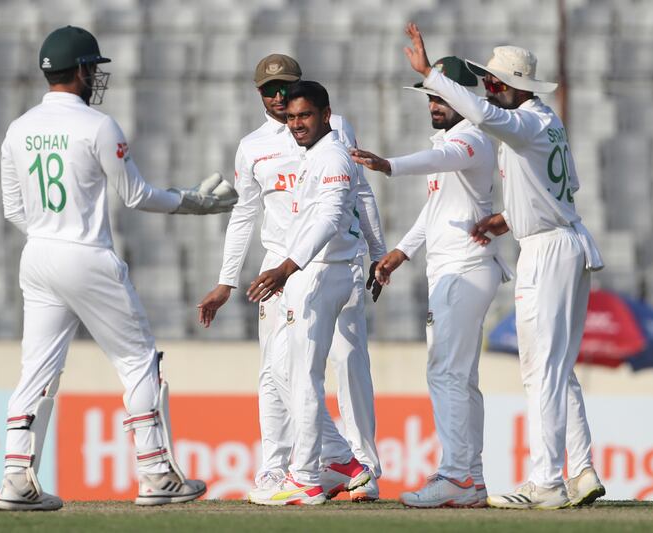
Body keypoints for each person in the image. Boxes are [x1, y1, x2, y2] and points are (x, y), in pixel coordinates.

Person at [0, 25, 234, 511]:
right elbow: (136, 195)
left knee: (36, 369)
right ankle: (155, 474)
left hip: (37, 255)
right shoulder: (97, 126)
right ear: (80, 70)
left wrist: (49, 233)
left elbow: (13, 211)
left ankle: (16, 478)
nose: (95, 77)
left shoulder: (17, 129)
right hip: (87, 255)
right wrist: (196, 203)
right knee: (138, 360)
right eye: (93, 68)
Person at [402, 22, 606, 509]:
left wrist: (432, 73)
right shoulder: (549, 121)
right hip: (564, 239)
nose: (488, 90)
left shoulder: (524, 122)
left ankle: (545, 483)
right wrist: (506, 216)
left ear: (514, 87)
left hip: (546, 250)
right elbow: (562, 186)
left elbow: (481, 116)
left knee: (539, 371)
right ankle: (579, 470)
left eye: (493, 84)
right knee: (557, 368)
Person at [197, 55, 385, 501]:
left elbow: (358, 194)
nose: (280, 98)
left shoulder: (333, 131)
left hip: (334, 260)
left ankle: (361, 467)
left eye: (288, 88)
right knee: (279, 370)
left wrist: (378, 252)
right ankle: (278, 468)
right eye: (270, 89)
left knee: (348, 361)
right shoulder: (253, 146)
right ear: (258, 93)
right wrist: (227, 279)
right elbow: (245, 213)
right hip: (281, 264)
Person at [351, 56, 512, 508]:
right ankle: (472, 478)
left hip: (464, 269)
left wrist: (389, 165)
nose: (433, 106)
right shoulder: (455, 139)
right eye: (430, 98)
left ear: (464, 99)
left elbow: (441, 157)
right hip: (452, 269)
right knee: (460, 375)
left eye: (441, 97)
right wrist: (401, 252)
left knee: (445, 371)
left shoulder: (473, 139)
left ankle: (457, 476)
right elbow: (435, 210)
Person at [243, 81, 372, 505]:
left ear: (326, 115)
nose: (296, 123)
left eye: (305, 116)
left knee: (303, 375)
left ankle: (304, 479)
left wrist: (286, 267)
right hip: (311, 271)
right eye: (292, 117)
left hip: (320, 273)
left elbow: (330, 219)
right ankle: (340, 461)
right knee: (283, 369)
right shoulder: (314, 153)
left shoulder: (332, 155)